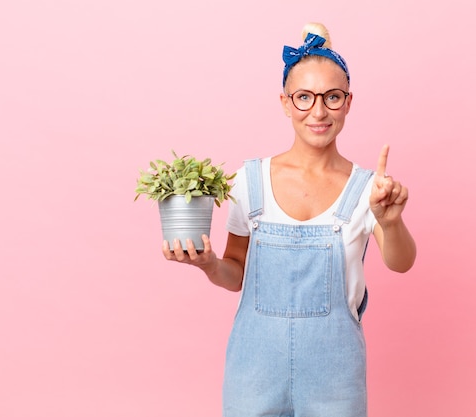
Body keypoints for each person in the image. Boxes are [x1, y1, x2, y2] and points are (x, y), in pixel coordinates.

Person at [163, 22, 416, 417]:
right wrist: (209, 264)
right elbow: (235, 274)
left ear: (348, 102)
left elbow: (401, 263)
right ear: (284, 102)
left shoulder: (369, 189)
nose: (318, 111)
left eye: (332, 97)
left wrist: (392, 220)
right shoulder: (250, 181)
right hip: (254, 373)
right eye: (304, 97)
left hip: (335, 378)